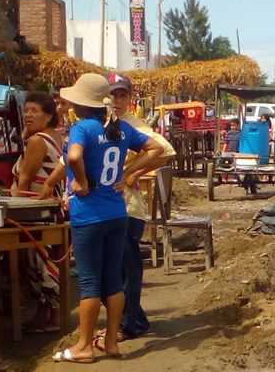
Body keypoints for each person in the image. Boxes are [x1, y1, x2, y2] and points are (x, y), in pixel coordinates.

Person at [52, 73, 162, 363]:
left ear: (79, 105)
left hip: (88, 215)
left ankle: (84, 346)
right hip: (117, 212)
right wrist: (127, 174)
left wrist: (82, 182)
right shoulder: (121, 129)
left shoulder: (82, 129)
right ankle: (112, 342)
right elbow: (156, 149)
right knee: (114, 281)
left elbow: (74, 157)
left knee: (89, 283)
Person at [104, 72, 175, 345]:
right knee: (114, 270)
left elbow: (165, 151)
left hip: (128, 209)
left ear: (129, 98)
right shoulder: (104, 123)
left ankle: (129, 324)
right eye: (113, 94)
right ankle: (135, 320)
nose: (117, 100)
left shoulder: (132, 125)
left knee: (126, 270)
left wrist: (132, 172)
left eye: (122, 95)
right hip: (110, 208)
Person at [11, 92, 65, 333]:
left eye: (35, 111)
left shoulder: (37, 141)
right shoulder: (56, 137)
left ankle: (51, 317)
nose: (28, 115)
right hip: (52, 209)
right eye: (26, 110)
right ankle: (47, 314)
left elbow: (25, 178)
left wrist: (17, 208)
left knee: (38, 261)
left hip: (35, 211)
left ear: (49, 115)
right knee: (47, 260)